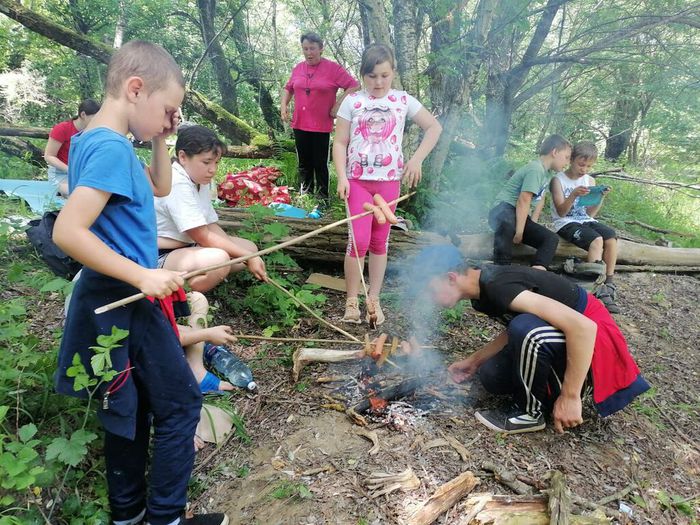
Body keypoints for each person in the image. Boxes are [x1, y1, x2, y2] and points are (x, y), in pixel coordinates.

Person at [52, 40, 228, 525]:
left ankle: (127, 516)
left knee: (131, 408)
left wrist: (159, 137)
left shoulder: (98, 140)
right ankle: (165, 518)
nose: (172, 118)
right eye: (168, 108)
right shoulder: (109, 147)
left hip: (114, 294)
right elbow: (69, 231)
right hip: (125, 294)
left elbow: (159, 187)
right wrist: (142, 274)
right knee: (181, 404)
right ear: (135, 89)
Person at [412, 245, 649, 435]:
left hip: (593, 340)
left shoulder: (497, 285)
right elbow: (516, 329)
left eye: (430, 290)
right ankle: (546, 394)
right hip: (565, 336)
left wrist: (570, 396)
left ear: (451, 277)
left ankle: (530, 414)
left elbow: (584, 328)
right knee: (491, 376)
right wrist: (475, 361)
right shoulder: (482, 291)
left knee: (525, 328)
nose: (429, 298)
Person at [334, 44, 442, 325]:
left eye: (384, 75)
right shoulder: (352, 102)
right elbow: (341, 142)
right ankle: (351, 300)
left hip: (389, 183)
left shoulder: (403, 100)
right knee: (357, 240)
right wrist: (342, 177)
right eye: (371, 76)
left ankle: (374, 298)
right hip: (357, 181)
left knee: (379, 241)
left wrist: (416, 160)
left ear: (393, 72)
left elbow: (434, 127)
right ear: (362, 76)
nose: (378, 82)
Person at [154, 125, 267, 292]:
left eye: (216, 162)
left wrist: (246, 254)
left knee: (249, 247)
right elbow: (201, 235)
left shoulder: (199, 179)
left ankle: (198, 276)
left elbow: (210, 225)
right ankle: (188, 294)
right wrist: (246, 257)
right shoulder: (177, 182)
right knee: (221, 259)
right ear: (183, 157)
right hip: (160, 253)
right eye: (206, 162)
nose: (212, 169)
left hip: (189, 247)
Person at [281, 32, 359, 202]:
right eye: (305, 48)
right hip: (299, 123)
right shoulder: (298, 68)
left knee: (320, 163)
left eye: (312, 48)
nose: (309, 52)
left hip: (321, 124)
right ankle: (305, 195)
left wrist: (338, 104)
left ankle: (323, 198)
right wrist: (283, 106)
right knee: (304, 163)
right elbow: (288, 88)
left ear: (321, 49)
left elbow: (354, 86)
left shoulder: (333, 69)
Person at [550, 141, 619, 313]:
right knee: (596, 240)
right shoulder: (558, 180)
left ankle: (608, 284)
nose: (584, 169)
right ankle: (593, 289)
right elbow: (562, 212)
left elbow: (590, 214)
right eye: (581, 164)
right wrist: (573, 194)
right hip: (565, 223)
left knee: (610, 236)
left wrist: (600, 197)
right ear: (571, 159)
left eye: (589, 166)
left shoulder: (589, 180)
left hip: (584, 220)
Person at [488, 135, 571, 270]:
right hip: (502, 210)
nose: (567, 162)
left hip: (518, 215)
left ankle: (535, 274)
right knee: (507, 223)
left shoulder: (547, 173)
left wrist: (532, 223)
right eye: (566, 157)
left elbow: (540, 199)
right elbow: (524, 199)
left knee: (551, 239)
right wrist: (519, 232)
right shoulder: (535, 169)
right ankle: (501, 269)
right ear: (555, 152)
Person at [44, 99, 101, 196]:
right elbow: (49, 156)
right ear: (83, 115)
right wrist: (70, 170)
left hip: (82, 174)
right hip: (60, 174)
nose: (98, 121)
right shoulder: (62, 128)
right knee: (77, 194)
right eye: (95, 118)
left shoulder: (93, 132)